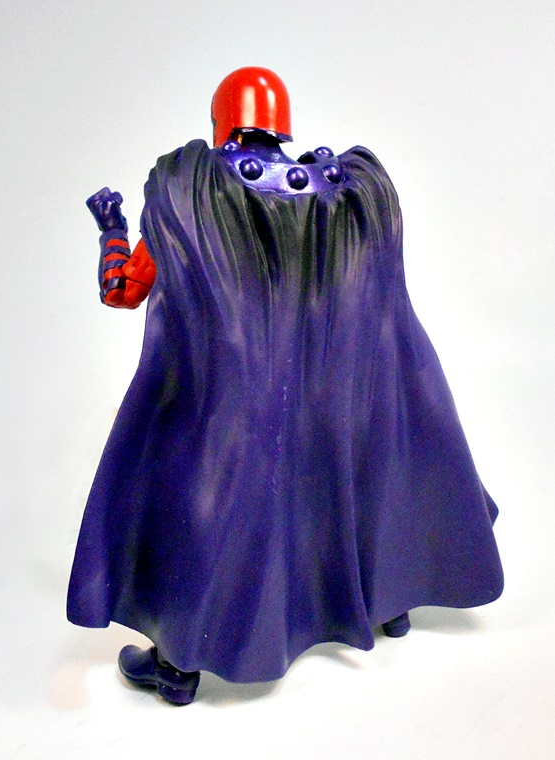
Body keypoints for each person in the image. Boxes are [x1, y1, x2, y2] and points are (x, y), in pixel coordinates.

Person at [68, 67, 504, 706]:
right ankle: (390, 603)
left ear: (221, 121)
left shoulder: (189, 195)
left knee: (198, 496)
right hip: (338, 402)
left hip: (240, 407)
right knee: (361, 468)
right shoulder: (348, 192)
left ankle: (177, 662)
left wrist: (111, 226)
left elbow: (122, 290)